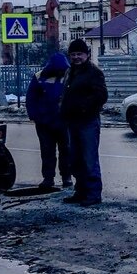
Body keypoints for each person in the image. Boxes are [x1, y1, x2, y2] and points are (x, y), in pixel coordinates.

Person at [60, 39, 107, 207]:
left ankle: (93, 194)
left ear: (87, 54)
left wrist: (83, 108)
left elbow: (101, 95)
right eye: (73, 54)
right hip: (72, 122)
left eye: (79, 54)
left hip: (88, 121)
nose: (76, 57)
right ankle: (80, 191)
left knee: (89, 159)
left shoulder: (93, 72)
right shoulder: (70, 72)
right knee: (75, 159)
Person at [26, 53, 72, 189]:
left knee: (66, 150)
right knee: (47, 151)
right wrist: (34, 116)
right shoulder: (39, 77)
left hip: (63, 121)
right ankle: (48, 178)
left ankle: (66, 177)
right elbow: (31, 98)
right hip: (44, 122)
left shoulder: (69, 75)